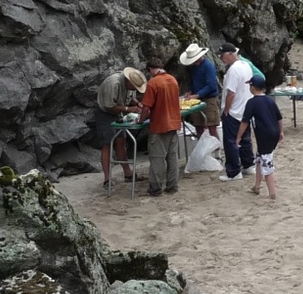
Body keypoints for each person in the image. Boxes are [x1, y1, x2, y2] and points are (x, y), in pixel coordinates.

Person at [93, 67, 147, 187]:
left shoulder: (129, 84)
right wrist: (128, 109)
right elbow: (109, 106)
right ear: (129, 82)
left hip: (118, 112)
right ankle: (107, 179)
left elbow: (130, 95)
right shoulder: (114, 83)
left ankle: (128, 173)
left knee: (121, 141)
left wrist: (137, 104)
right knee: (107, 144)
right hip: (105, 113)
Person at [139, 57, 183, 196]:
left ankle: (155, 187)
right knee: (172, 156)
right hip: (174, 123)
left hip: (159, 125)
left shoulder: (153, 83)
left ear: (151, 69)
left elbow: (146, 107)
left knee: (157, 157)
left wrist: (140, 120)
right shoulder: (172, 80)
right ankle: (172, 185)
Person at [237, 75, 284, 200]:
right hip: (274, 132)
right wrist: (281, 131)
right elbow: (279, 118)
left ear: (253, 87)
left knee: (266, 162)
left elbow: (244, 122)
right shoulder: (270, 100)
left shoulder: (251, 103)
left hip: (264, 135)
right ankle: (257, 186)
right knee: (260, 158)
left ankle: (272, 193)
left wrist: (238, 138)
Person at [217, 43, 256, 180]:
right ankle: (248, 164)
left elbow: (230, 93)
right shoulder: (246, 65)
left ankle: (234, 171)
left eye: (222, 56)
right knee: (245, 138)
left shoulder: (233, 70)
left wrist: (226, 109)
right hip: (245, 108)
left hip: (234, 110)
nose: (222, 59)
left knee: (231, 141)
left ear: (229, 54)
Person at [178, 42, 220, 138]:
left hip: (209, 99)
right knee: (198, 125)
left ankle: (216, 150)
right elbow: (195, 82)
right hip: (197, 99)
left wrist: (197, 95)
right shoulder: (193, 68)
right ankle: (202, 149)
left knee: (211, 126)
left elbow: (211, 86)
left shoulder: (208, 66)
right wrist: (191, 92)